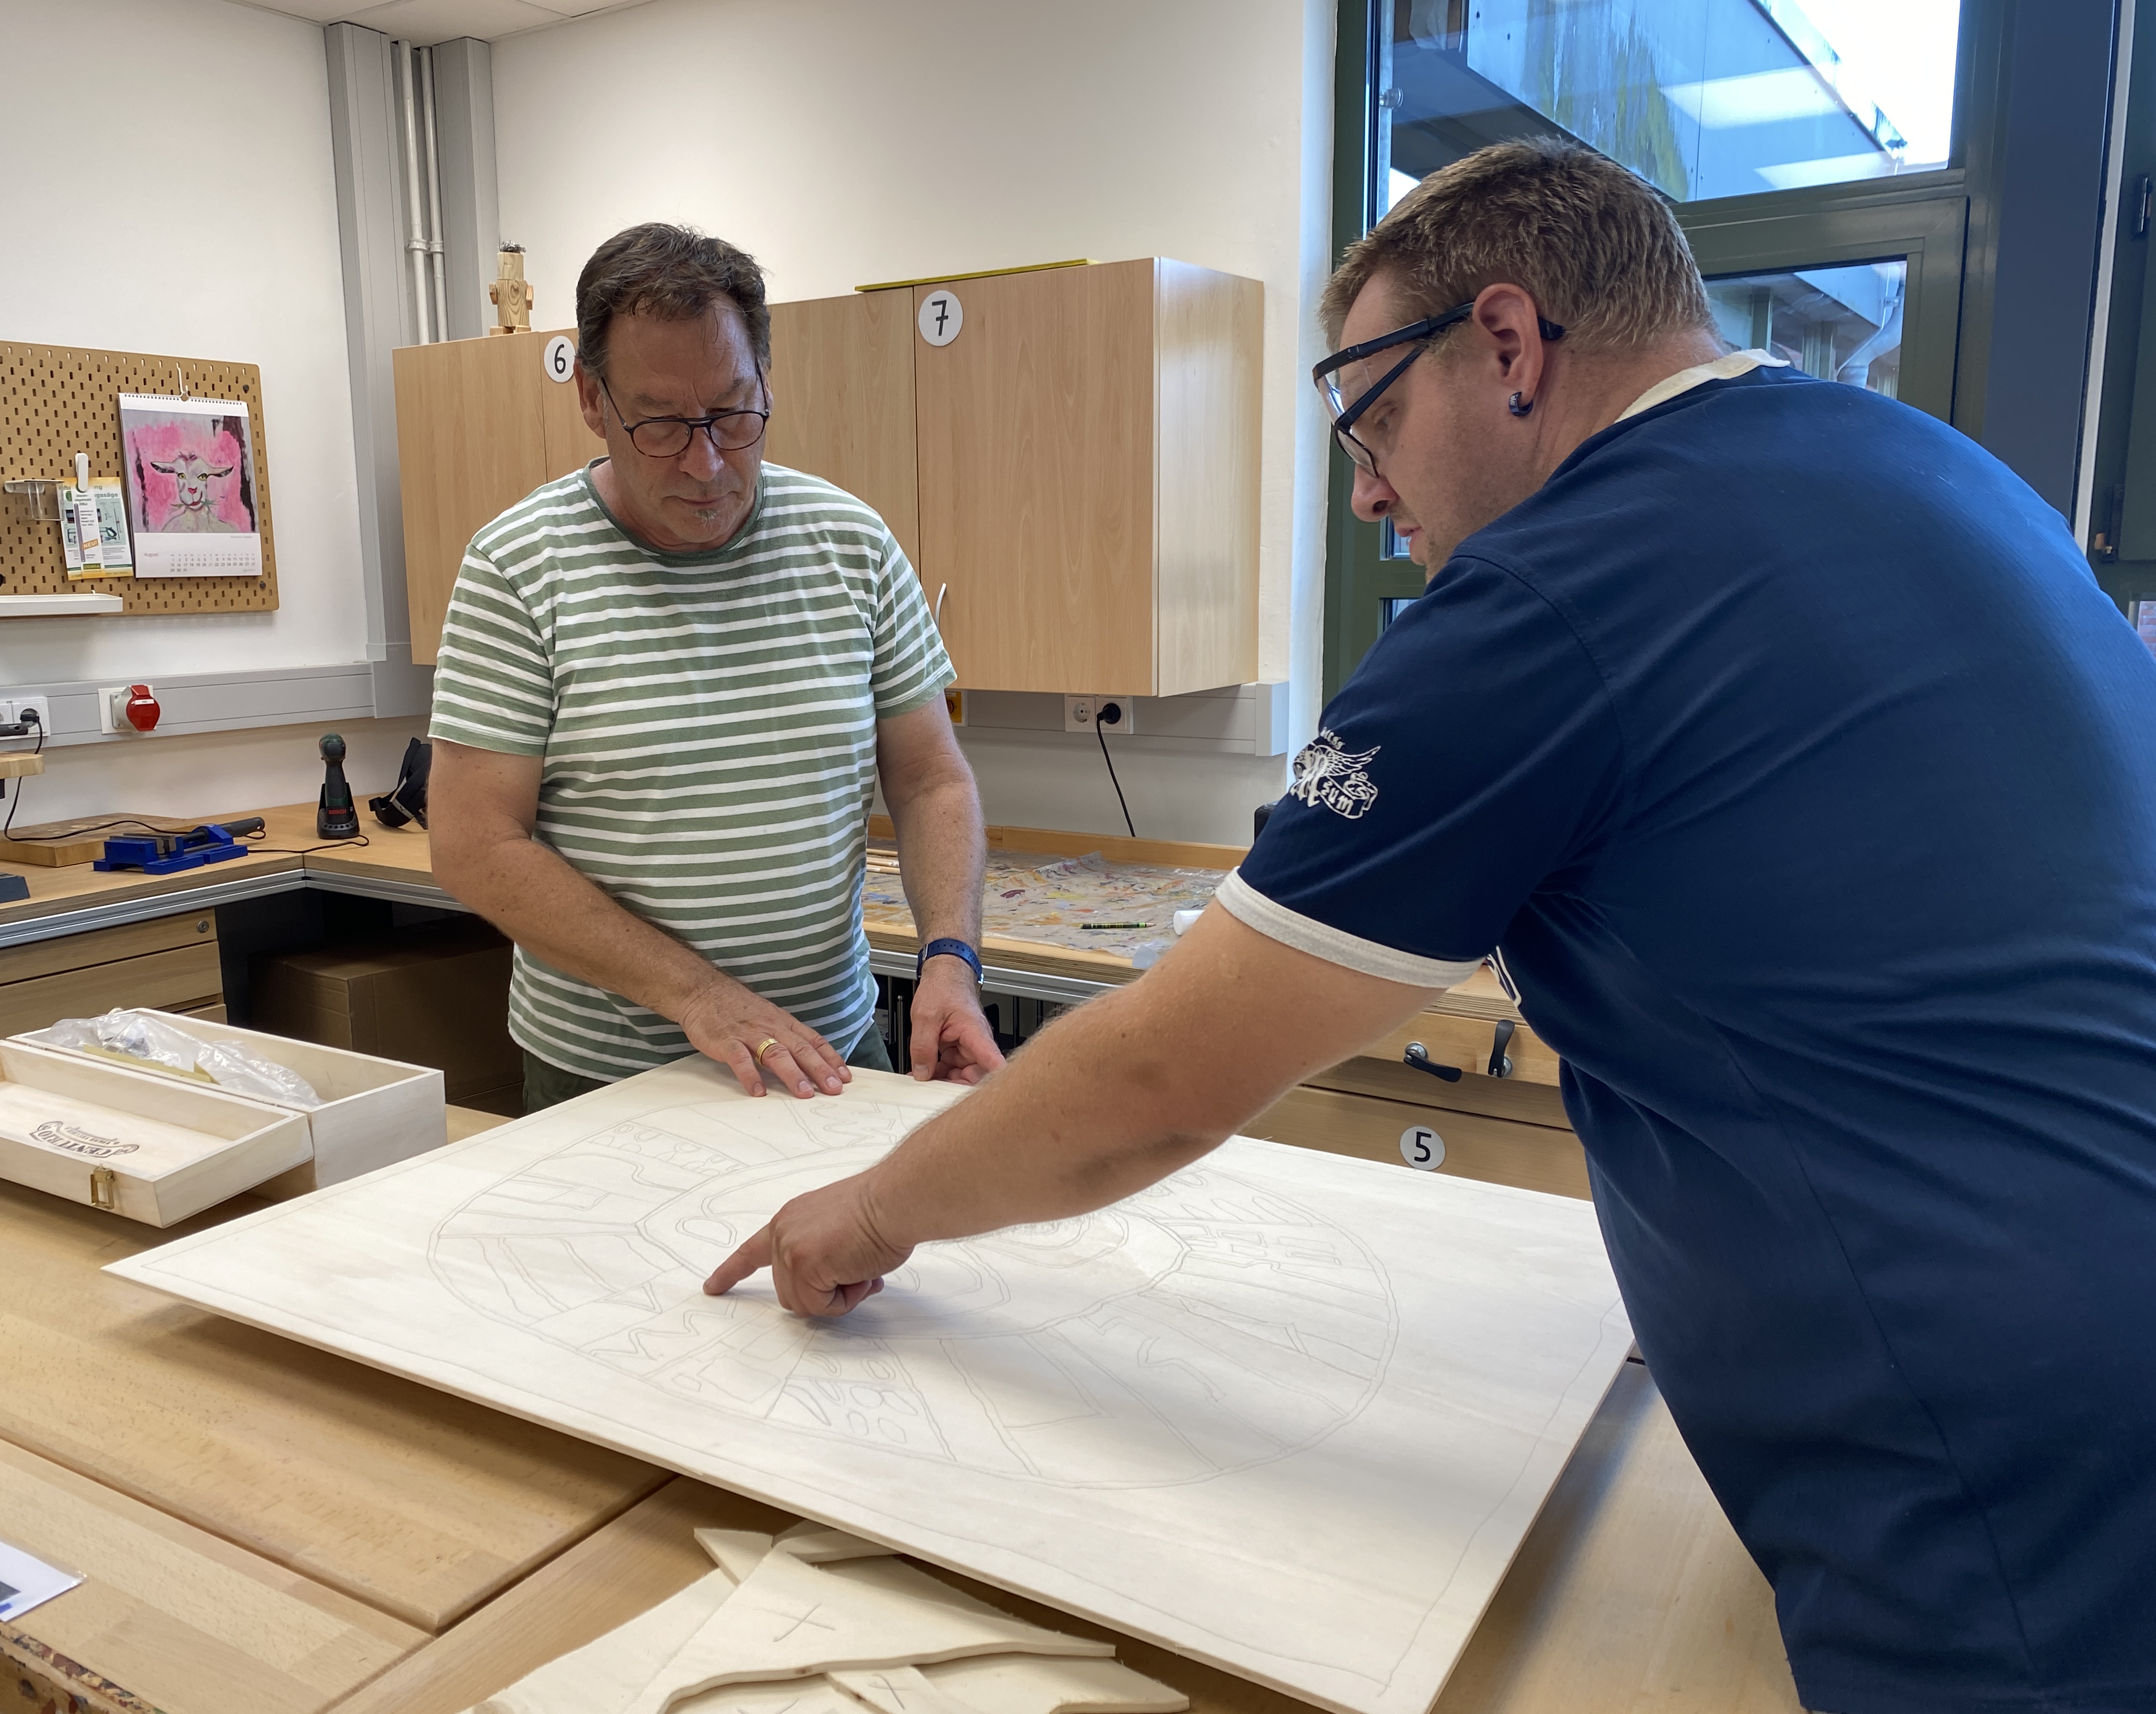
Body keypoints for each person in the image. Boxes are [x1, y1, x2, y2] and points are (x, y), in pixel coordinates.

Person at [705, 141, 2156, 1713]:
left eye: (1373, 418)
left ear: (1511, 345)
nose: (1366, 489)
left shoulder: (1556, 590)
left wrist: (874, 1213)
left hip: (2014, 1464)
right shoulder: (1933, 471)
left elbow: (1161, 1082)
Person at [427, 224, 1003, 1111]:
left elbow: (932, 780)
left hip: (831, 1051)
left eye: (734, 414)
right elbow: (475, 845)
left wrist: (951, 962)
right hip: (612, 1075)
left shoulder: (851, 542)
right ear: (593, 400)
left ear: (765, 379)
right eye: (660, 423)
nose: (705, 464)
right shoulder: (518, 568)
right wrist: (699, 995)